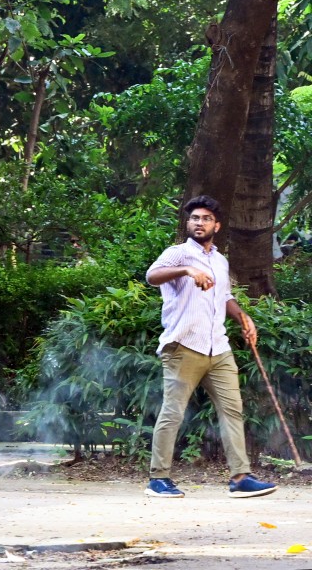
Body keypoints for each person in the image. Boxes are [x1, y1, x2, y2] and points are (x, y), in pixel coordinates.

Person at [144, 195, 276, 499]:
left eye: (205, 219)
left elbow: (225, 296)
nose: (198, 222)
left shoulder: (219, 260)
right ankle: (158, 479)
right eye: (194, 218)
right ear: (188, 223)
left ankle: (240, 478)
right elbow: (152, 276)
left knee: (233, 411)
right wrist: (187, 271)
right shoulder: (176, 254)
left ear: (216, 225)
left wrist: (244, 317)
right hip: (183, 346)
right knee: (173, 412)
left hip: (218, 347)